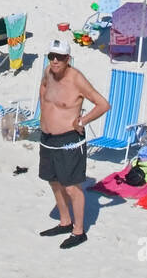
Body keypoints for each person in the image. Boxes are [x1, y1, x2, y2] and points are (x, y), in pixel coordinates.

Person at [37, 37, 110, 249]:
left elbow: (103, 104)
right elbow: (43, 89)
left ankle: (79, 231)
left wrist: (82, 121)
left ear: (68, 58)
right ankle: (64, 221)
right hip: (48, 139)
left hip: (69, 140)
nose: (55, 61)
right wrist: (43, 116)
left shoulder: (76, 79)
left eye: (59, 57)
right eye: (51, 56)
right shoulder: (48, 72)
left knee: (71, 187)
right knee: (53, 181)